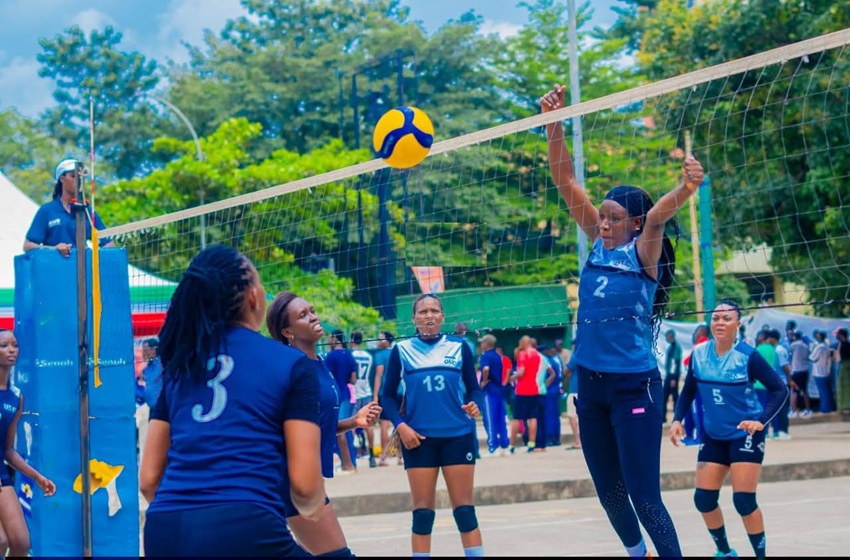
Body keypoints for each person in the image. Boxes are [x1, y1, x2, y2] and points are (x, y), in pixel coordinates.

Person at [541, 83, 705, 558]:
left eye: (615, 218)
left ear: (633, 224)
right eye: (604, 217)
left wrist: (686, 188)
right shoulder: (597, 241)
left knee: (643, 493)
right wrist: (552, 121)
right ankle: (638, 555)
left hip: (634, 386)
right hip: (591, 387)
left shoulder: (643, 253)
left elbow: (657, 219)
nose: (605, 223)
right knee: (609, 492)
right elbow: (565, 180)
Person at [140, 245, 325, 557]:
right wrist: (313, 508)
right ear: (253, 296)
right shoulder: (291, 364)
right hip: (245, 527)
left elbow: (148, 480)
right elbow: (306, 488)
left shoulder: (181, 367)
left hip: (164, 529)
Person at [266, 292, 381, 556]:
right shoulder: (289, 368)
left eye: (312, 310)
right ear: (287, 331)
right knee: (337, 556)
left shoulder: (319, 363)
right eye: (303, 315)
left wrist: (353, 421)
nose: (314, 316)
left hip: (306, 479)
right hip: (290, 480)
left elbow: (311, 426)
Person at [670, 300, 788, 558]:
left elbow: (780, 389)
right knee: (703, 500)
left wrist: (762, 420)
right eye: (715, 319)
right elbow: (689, 389)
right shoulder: (699, 354)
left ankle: (761, 555)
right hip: (713, 434)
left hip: (746, 434)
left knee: (743, 502)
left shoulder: (748, 356)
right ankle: (724, 551)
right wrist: (677, 418)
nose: (720, 323)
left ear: (738, 324)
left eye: (726, 319)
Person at [380, 294, 484, 557]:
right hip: (417, 439)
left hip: (458, 436)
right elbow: (387, 396)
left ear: (442, 317)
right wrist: (401, 426)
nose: (429, 315)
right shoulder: (402, 350)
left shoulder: (459, 347)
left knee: (464, 511)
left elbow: (474, 389)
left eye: (434, 311)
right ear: (414, 318)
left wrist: (474, 405)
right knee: (423, 513)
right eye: (423, 311)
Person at [0, 330, 56, 556]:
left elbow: (8, 450)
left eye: (15, 345)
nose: (12, 350)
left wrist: (37, 476)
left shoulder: (16, 397)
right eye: (4, 345)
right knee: (1, 541)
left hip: (2, 476)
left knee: (21, 543)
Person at [23, 158, 115, 257]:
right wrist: (54, 249)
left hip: (83, 270)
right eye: (73, 176)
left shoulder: (87, 211)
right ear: (62, 179)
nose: (79, 181)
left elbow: (108, 243)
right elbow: (28, 246)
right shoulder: (47, 211)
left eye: (81, 177)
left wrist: (93, 256)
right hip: (56, 268)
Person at [324, 330, 359, 473]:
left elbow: (325, 378)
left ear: (334, 339)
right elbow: (354, 379)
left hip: (336, 396)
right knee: (348, 429)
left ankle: (348, 464)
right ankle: (352, 462)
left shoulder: (330, 357)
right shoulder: (349, 355)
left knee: (339, 430)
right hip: (348, 394)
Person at [508, 335, 541, 453]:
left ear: (523, 342)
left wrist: (510, 378)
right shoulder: (536, 354)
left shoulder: (523, 354)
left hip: (522, 390)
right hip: (534, 388)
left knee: (517, 418)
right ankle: (531, 443)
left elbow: (521, 372)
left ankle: (511, 445)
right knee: (533, 417)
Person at [349, 331, 377, 467]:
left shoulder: (350, 355)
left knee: (351, 425)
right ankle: (371, 456)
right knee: (369, 425)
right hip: (367, 391)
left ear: (351, 340)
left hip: (355, 393)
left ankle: (351, 458)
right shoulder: (368, 356)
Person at [478, 334, 508, 457]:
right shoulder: (497, 356)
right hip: (499, 390)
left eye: (482, 343)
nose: (480, 345)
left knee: (489, 419)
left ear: (487, 344)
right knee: (500, 418)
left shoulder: (486, 355)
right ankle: (504, 445)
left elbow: (485, 369)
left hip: (489, 390)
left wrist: (484, 381)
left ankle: (493, 446)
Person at [372, 331, 397, 466]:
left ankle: (384, 456)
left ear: (387, 341)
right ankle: (401, 456)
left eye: (380, 338)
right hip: (400, 391)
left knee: (384, 425)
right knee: (399, 424)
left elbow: (378, 375)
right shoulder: (397, 352)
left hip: (386, 393)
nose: (378, 340)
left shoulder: (380, 355)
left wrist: (375, 395)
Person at [809, 330, 835, 414]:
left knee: (823, 391)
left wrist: (811, 349)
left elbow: (812, 357)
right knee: (827, 390)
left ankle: (825, 408)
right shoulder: (826, 346)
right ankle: (830, 407)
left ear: (819, 337)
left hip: (818, 372)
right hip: (826, 371)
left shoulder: (819, 347)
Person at [663, 329, 683, 424]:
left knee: (674, 397)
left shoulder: (676, 347)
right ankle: (664, 417)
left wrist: (673, 378)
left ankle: (676, 418)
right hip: (669, 376)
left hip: (672, 376)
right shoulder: (671, 347)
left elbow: (675, 363)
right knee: (665, 397)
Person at [835, 328, 850, 416]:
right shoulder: (847, 344)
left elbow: (838, 358)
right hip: (846, 366)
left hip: (844, 367)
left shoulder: (843, 345)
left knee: (843, 386)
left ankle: (845, 405)